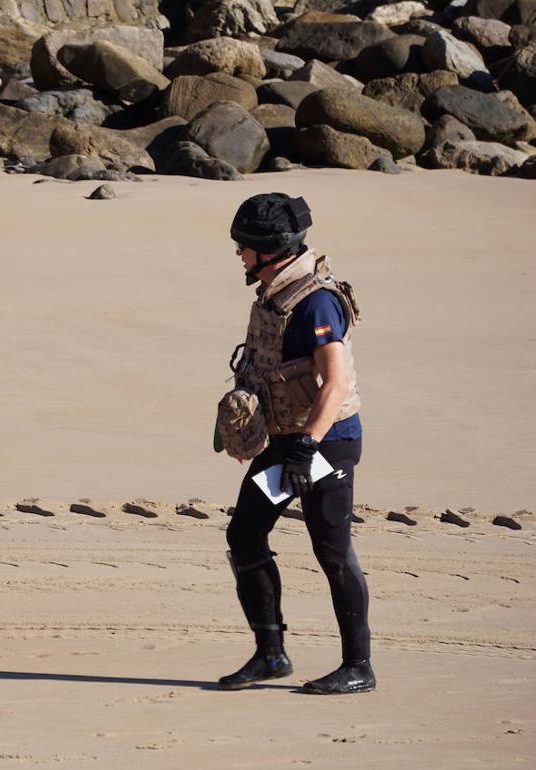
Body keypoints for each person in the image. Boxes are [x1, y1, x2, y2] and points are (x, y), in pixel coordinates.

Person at [214, 192, 374, 695]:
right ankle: (271, 655)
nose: (238, 253)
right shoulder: (272, 292)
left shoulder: (317, 302)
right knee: (244, 535)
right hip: (283, 445)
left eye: (244, 245)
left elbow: (336, 385)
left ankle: (358, 666)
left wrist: (308, 446)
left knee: (332, 549)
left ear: (269, 247)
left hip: (326, 446)